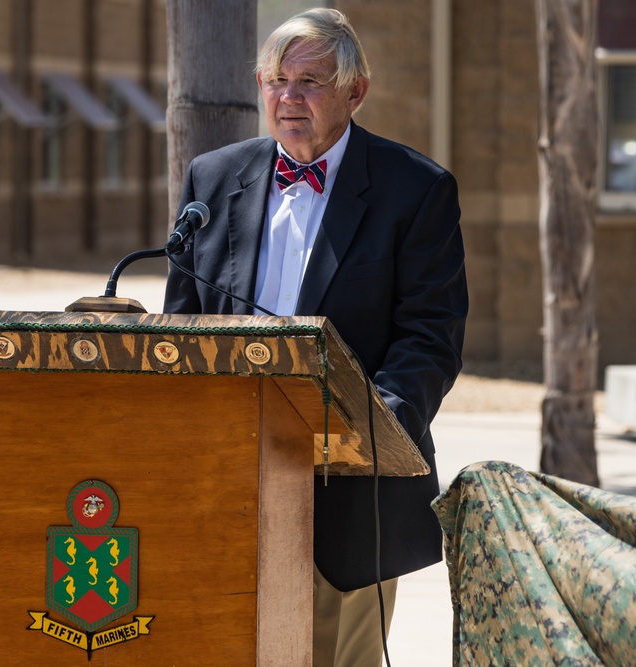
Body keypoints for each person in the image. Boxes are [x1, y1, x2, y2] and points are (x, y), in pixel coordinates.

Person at [164, 8, 468, 666]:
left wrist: (371, 426)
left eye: (308, 81)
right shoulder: (212, 181)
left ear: (355, 92)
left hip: (350, 498)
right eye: (275, 80)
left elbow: (430, 338)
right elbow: (181, 333)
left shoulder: (415, 190)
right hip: (225, 490)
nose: (287, 97)